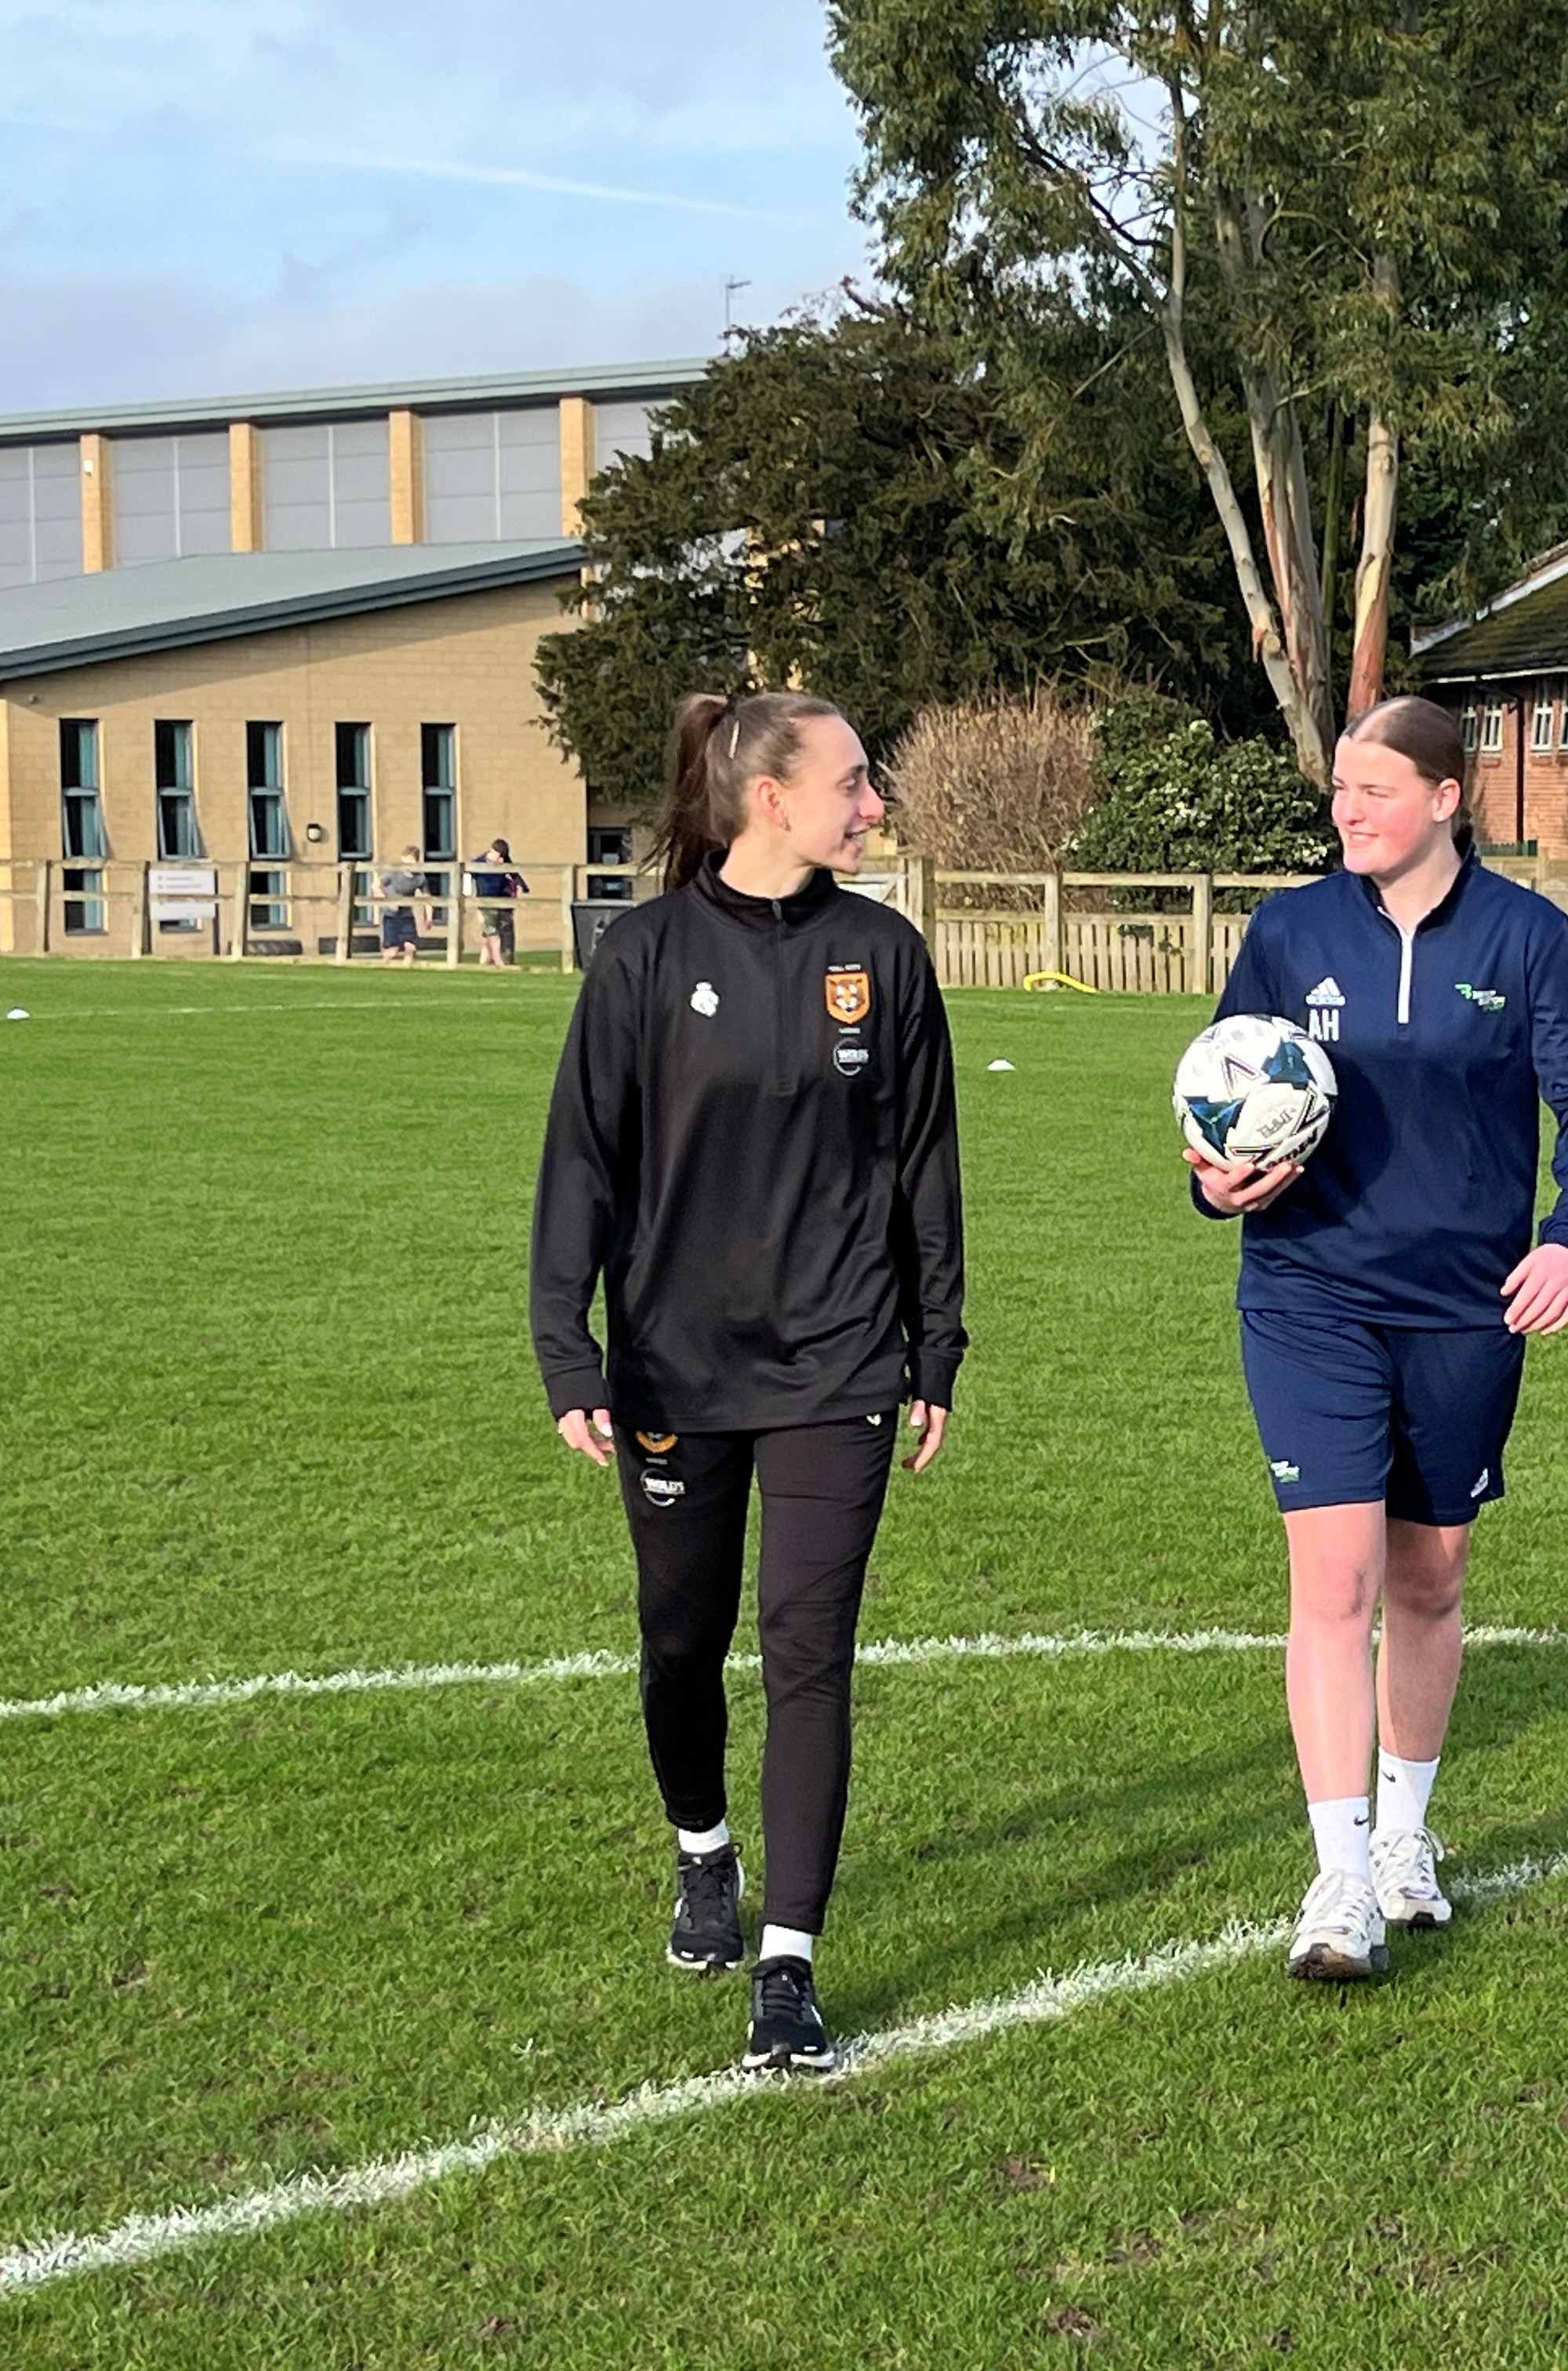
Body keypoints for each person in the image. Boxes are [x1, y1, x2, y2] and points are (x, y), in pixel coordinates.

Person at [530, 690, 965, 2075]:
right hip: (674, 1357)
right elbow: (582, 1163)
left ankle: (788, 1963)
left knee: (806, 1646)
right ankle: (702, 1846)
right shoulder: (645, 957)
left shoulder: (882, 955)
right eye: (853, 780)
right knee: (680, 1633)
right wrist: (567, 1346)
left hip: (839, 1354)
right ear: (772, 797)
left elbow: (926, 1169)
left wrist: (934, 1341)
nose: (874, 802)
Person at [1186, 695, 1568, 1984]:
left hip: (1466, 1305)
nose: (1345, 811)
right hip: (1306, 1293)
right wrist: (1212, 1181)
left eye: (1371, 790)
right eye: (1337, 789)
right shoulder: (1288, 932)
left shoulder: (1524, 935)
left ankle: (1404, 1837)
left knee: (1426, 1577)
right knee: (1330, 1583)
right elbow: (1223, 1080)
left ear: (1446, 797)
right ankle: (1337, 1876)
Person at [472, 837, 529, 968]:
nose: (502, 861)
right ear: (493, 852)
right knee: (492, 932)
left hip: (502, 901)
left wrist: (523, 886)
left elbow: (514, 873)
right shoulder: (479, 862)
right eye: (500, 857)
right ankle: (499, 962)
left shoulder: (504, 861)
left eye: (504, 857)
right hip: (485, 902)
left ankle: (485, 963)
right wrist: (466, 894)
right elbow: (467, 874)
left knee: (499, 932)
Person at [377, 846, 424, 963]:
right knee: (392, 950)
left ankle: (409, 969)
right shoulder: (393, 873)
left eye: (410, 862)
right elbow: (376, 885)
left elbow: (427, 897)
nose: (406, 866)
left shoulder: (419, 877)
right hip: (391, 915)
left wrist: (429, 916)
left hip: (407, 915)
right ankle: (384, 965)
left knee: (410, 946)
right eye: (405, 862)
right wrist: (386, 902)